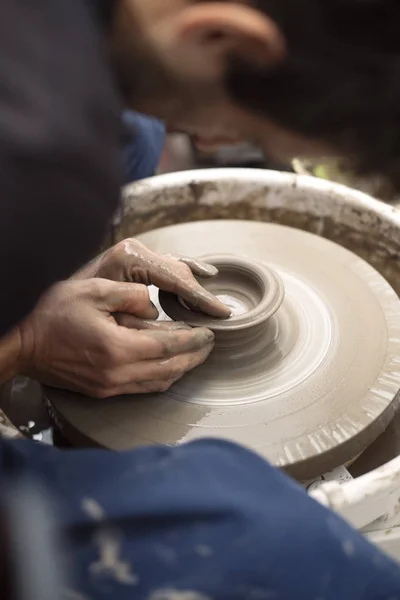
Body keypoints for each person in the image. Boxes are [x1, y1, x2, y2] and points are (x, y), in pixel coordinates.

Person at [2, 0, 400, 598]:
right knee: (268, 536)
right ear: (221, 34)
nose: (212, 140)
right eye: (242, 131)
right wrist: (27, 342)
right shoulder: (47, 160)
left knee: (139, 134)